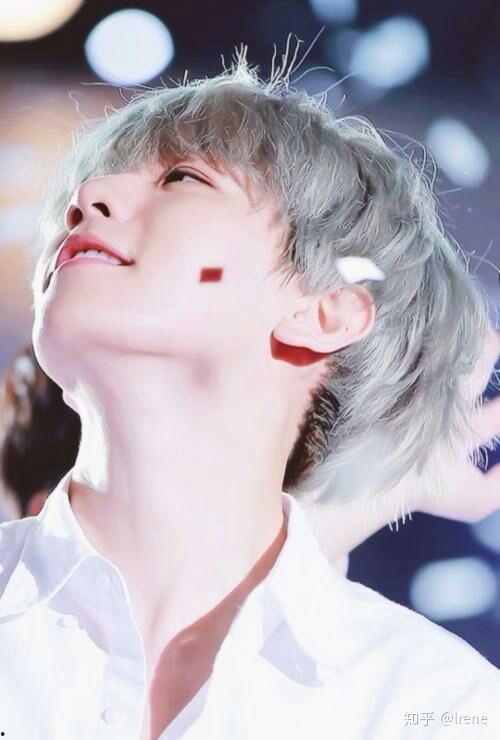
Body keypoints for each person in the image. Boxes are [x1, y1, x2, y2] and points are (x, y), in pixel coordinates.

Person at [0, 44, 499, 739]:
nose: (87, 200)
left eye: (182, 177)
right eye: (78, 198)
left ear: (323, 311)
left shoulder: (436, 703)